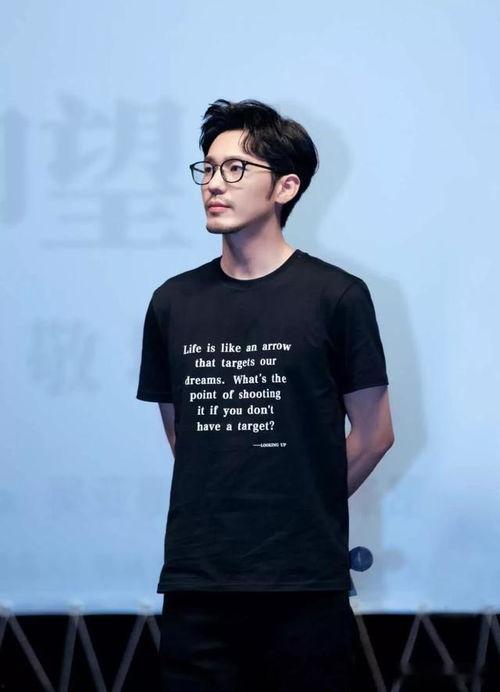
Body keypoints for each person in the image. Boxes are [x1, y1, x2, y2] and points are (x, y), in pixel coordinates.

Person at [136, 98, 395, 691]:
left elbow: (376, 434)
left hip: (303, 585)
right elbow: (185, 438)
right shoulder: (172, 302)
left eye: (235, 169)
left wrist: (298, 506)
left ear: (285, 187)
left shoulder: (337, 296)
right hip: (198, 581)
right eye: (208, 168)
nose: (214, 184)